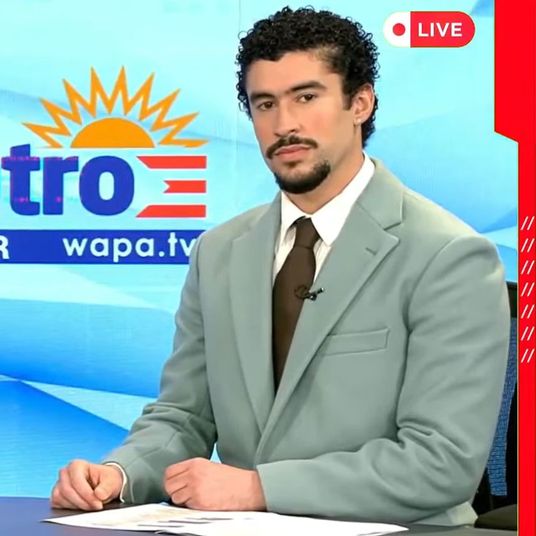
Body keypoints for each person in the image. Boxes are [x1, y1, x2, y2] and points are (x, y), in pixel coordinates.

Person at [51, 6, 509, 525]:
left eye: (306, 97)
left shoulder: (448, 256)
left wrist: (258, 488)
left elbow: (440, 461)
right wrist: (119, 474)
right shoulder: (218, 252)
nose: (284, 124)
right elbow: (183, 417)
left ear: (360, 103)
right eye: (264, 104)